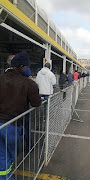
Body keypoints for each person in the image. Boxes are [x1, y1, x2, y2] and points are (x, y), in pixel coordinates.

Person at [0, 51, 41, 180]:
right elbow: (36, 103)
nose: (28, 70)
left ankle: (5, 174)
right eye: (28, 67)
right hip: (13, 126)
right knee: (9, 154)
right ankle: (6, 177)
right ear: (22, 67)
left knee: (2, 153)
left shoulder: (1, 78)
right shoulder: (29, 84)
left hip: (1, 123)